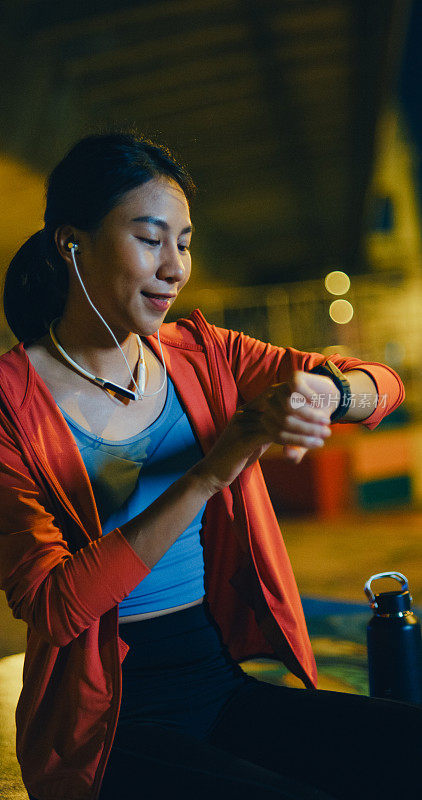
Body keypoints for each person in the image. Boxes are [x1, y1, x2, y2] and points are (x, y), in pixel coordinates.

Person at [0, 130, 419, 800]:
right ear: (70, 242)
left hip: (221, 688)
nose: (175, 267)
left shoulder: (204, 354)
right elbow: (53, 605)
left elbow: (382, 383)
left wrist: (330, 390)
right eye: (149, 238)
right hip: (108, 730)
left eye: (185, 242)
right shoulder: (10, 406)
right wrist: (209, 470)